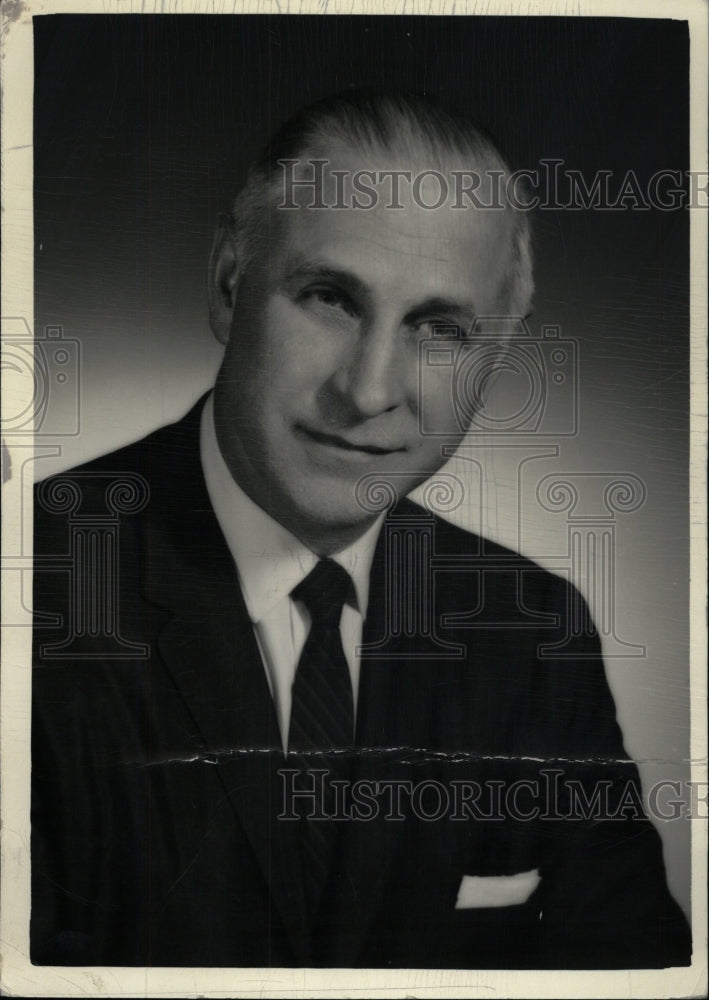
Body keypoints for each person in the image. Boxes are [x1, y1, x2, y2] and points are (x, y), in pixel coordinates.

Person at [31, 91, 691, 969]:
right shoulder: (30, 592)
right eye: (331, 299)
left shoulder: (531, 632)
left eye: (440, 328)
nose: (370, 390)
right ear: (231, 287)